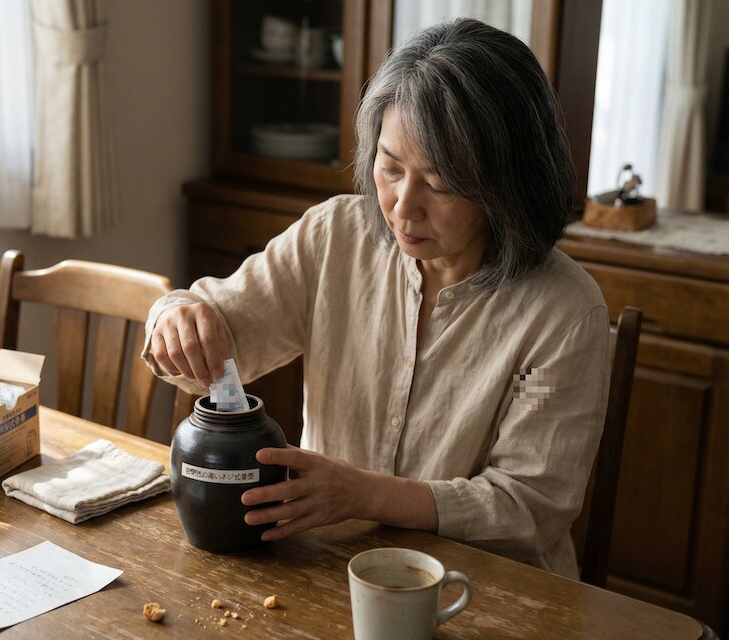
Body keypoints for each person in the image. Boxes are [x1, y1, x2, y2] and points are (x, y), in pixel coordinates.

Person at [141, 18, 610, 578]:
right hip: (333, 564)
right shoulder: (336, 235)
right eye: (390, 167)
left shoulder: (565, 311)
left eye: (440, 185)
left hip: (486, 588)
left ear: (508, 184)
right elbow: (221, 333)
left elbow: (526, 511)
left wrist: (364, 495)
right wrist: (176, 314)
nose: (402, 206)